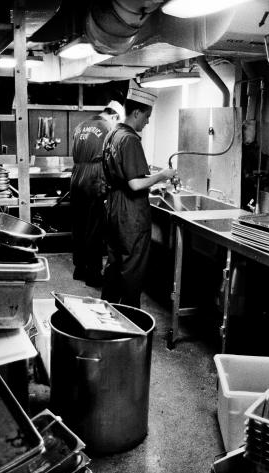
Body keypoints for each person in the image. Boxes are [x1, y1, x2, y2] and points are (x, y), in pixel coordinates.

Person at [101, 80, 177, 308]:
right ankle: (131, 319)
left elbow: (122, 177)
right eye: (147, 116)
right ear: (136, 112)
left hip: (114, 207)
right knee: (132, 267)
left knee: (115, 263)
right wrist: (162, 175)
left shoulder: (112, 134)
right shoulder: (131, 139)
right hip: (130, 213)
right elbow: (134, 184)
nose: (148, 121)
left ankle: (106, 313)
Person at [70, 100, 125, 287]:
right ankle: (93, 274)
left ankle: (79, 268)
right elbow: (111, 158)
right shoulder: (109, 128)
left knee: (78, 225)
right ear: (115, 116)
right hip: (94, 178)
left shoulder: (80, 127)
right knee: (94, 228)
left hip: (76, 177)